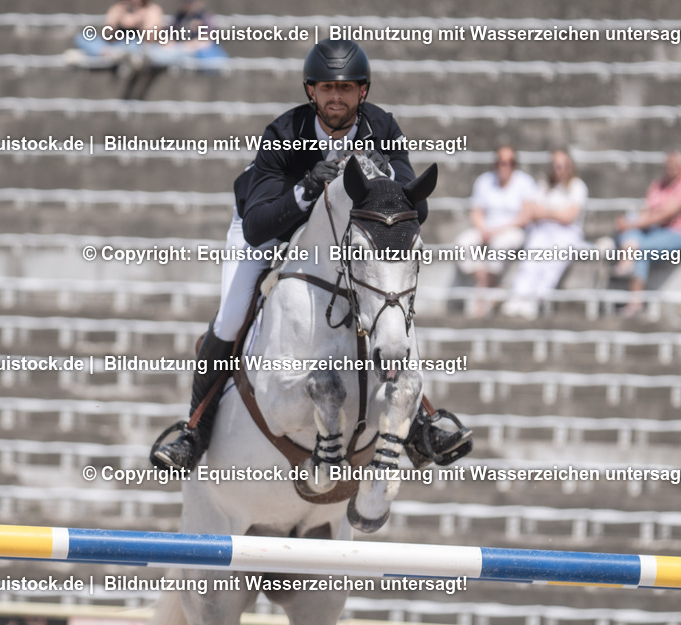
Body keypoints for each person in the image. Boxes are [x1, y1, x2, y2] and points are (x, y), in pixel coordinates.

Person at [151, 39, 472, 473]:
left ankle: (420, 422)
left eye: (345, 88)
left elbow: (418, 210)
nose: (335, 97)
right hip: (269, 229)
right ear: (310, 92)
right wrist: (305, 188)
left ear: (363, 91)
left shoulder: (383, 127)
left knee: (385, 301)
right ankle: (196, 429)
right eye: (326, 88)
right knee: (230, 317)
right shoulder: (285, 134)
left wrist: (390, 172)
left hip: (336, 238)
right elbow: (258, 224)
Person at [614, 151, 681, 317]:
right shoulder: (659, 184)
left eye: (675, 166)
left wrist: (630, 224)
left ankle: (635, 302)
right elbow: (645, 211)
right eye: (669, 166)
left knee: (641, 248)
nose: (671, 169)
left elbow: (665, 214)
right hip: (658, 232)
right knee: (631, 221)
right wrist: (631, 223)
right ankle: (627, 259)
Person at [502, 150, 588, 319]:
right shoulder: (544, 186)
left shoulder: (578, 187)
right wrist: (556, 213)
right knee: (530, 261)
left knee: (552, 263)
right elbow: (534, 212)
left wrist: (548, 212)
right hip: (542, 231)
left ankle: (536, 301)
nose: (558, 170)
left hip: (567, 234)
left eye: (562, 166)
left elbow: (569, 216)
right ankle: (519, 297)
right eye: (555, 166)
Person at [454, 146, 538, 317]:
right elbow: (476, 212)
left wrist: (497, 230)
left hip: (512, 230)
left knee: (501, 244)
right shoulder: (484, 181)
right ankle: (486, 282)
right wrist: (484, 229)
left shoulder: (525, 182)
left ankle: (484, 294)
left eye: (510, 163)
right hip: (486, 229)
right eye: (501, 162)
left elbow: (526, 215)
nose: (505, 166)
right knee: (461, 244)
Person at [146, 0, 228, 72]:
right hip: (179, 49)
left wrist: (186, 45)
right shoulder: (180, 17)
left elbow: (206, 42)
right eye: (186, 2)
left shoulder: (205, 17)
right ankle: (150, 57)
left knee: (175, 52)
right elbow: (169, 35)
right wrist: (169, 43)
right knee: (161, 49)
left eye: (190, 2)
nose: (187, 4)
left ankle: (152, 58)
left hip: (196, 52)